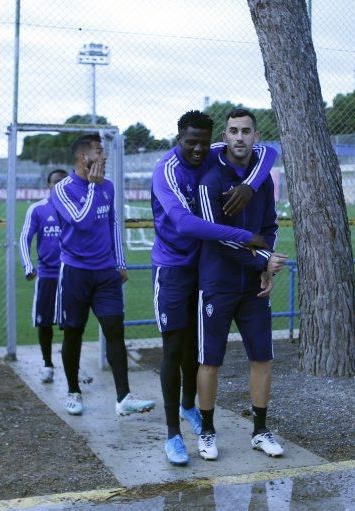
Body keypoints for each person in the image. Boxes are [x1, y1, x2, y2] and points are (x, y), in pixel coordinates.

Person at [151, 110, 277, 466]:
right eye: (191, 142)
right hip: (175, 266)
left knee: (196, 346)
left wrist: (251, 184)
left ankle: (191, 407)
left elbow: (269, 153)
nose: (198, 149)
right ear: (179, 138)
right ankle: (173, 435)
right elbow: (185, 223)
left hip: (205, 267)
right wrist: (250, 242)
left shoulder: (214, 153)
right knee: (174, 348)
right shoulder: (167, 170)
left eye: (204, 143)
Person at [196, 108, 287, 461]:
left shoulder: (262, 180)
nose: (239, 137)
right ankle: (207, 431)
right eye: (233, 130)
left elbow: (269, 227)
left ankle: (260, 430)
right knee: (210, 361)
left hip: (254, 285)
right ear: (224, 135)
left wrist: (266, 267)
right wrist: (262, 260)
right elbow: (217, 238)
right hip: (217, 282)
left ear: (255, 136)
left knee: (262, 356)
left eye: (246, 131)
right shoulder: (209, 180)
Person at [50, 133, 155, 417]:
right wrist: (93, 189)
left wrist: (120, 263)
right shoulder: (62, 189)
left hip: (106, 274)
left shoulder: (108, 187)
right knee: (73, 333)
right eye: (99, 151)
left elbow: (113, 225)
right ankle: (73, 391)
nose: (105, 157)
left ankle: (123, 398)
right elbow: (80, 222)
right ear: (84, 157)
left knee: (115, 332)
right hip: (75, 273)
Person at [18, 169, 67, 383]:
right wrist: (29, 266)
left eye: (63, 182)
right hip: (47, 274)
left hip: (72, 275)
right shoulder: (37, 209)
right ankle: (48, 364)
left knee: (72, 324)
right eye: (55, 182)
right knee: (44, 322)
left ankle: (70, 366)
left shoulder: (76, 209)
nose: (59, 185)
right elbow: (24, 238)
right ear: (48, 185)